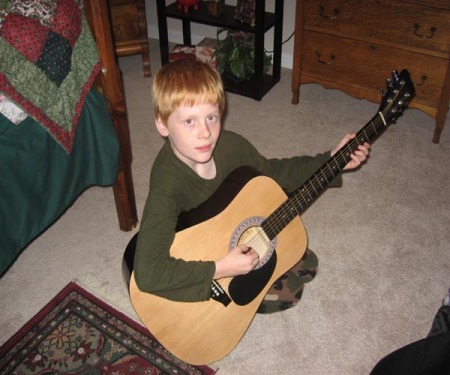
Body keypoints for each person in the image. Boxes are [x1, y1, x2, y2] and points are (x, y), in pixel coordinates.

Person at [134, 58, 370, 314]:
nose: (205, 133)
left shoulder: (231, 146)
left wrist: (331, 160)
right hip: (202, 258)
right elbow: (148, 273)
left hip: (221, 225)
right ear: (162, 124)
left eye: (211, 117)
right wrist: (222, 268)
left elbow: (274, 174)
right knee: (284, 285)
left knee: (303, 258)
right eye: (189, 121)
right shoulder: (167, 185)